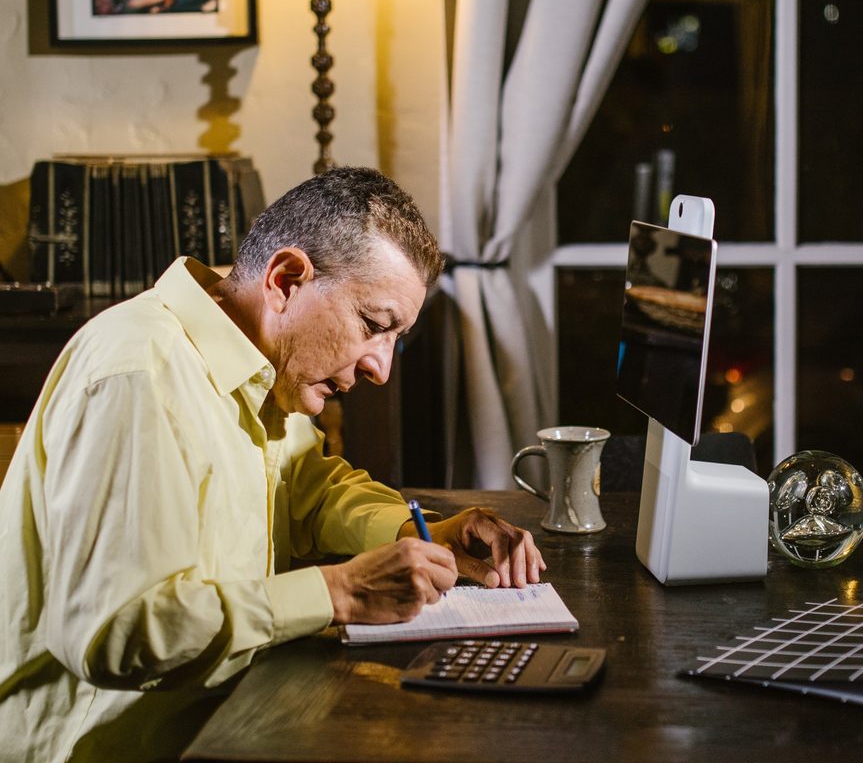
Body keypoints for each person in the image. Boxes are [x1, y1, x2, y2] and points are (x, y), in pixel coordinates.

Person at [0, 166, 545, 763]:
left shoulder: (253, 361)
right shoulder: (140, 373)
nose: (380, 369)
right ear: (286, 279)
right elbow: (114, 633)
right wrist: (339, 592)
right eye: (373, 326)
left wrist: (420, 530)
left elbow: (308, 490)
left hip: (227, 725)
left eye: (397, 339)